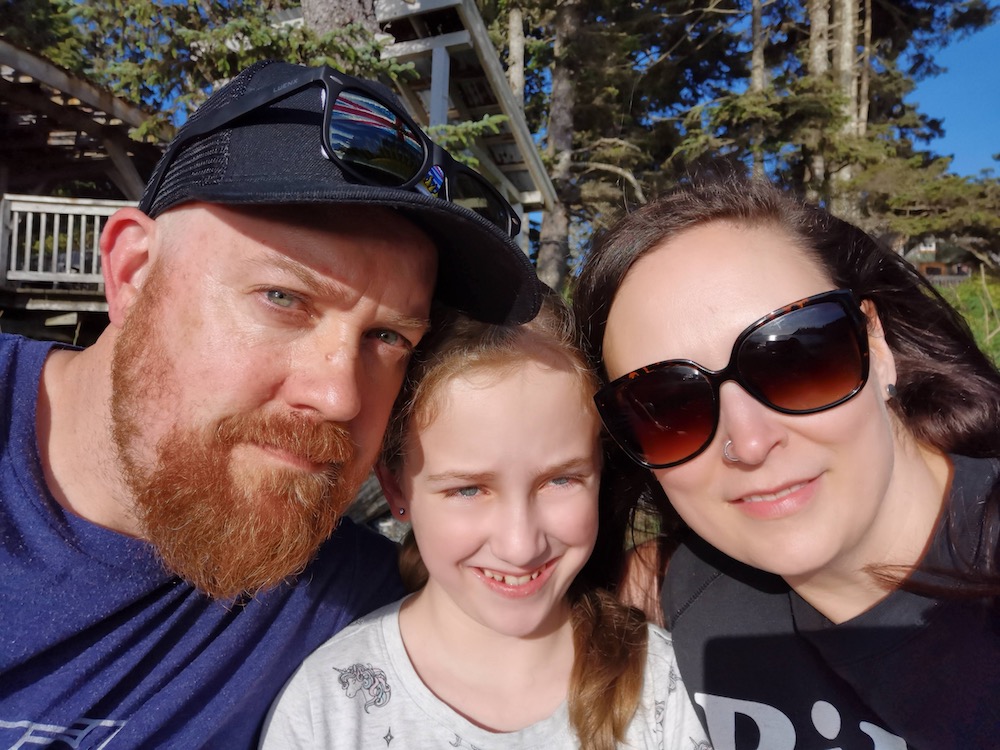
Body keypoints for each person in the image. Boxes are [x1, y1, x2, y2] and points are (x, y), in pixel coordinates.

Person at [0, 60, 542, 749]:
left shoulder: (363, 611)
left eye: (386, 336)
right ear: (133, 274)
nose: (339, 394)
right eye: (283, 299)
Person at [572, 174, 1000, 749]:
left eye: (796, 357)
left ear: (875, 344)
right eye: (668, 404)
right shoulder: (663, 594)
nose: (749, 444)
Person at [258, 293, 710, 749]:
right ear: (396, 489)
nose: (520, 545)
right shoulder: (329, 708)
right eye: (468, 490)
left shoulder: (668, 689)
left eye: (560, 480)